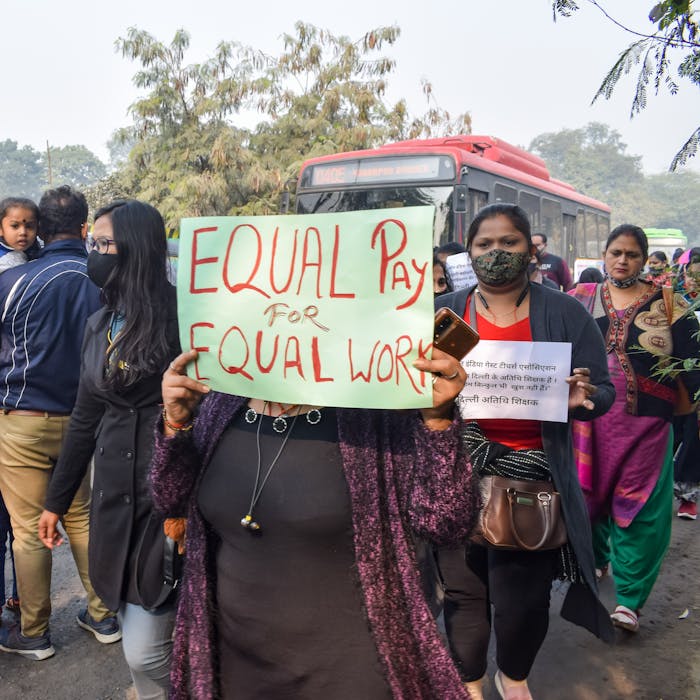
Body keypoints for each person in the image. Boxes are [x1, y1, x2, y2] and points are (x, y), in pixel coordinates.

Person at [150, 339, 477, 698]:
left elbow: (447, 524)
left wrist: (438, 423)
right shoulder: (220, 398)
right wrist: (175, 426)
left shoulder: (377, 407)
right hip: (235, 665)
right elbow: (170, 500)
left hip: (349, 672)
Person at [436, 203, 615, 700]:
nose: (496, 253)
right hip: (453, 472)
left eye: (508, 243)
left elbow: (603, 392)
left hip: (533, 478)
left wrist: (585, 398)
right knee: (464, 591)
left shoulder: (564, 312)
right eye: (484, 244)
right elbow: (410, 386)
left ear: (530, 248)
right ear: (469, 253)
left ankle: (512, 675)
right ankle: (468, 680)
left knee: (523, 601)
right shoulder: (445, 312)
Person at [38, 200, 180, 697]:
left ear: (137, 250)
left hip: (166, 498)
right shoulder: (101, 323)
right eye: (91, 243)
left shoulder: (186, 317)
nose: (92, 253)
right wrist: (56, 500)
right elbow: (84, 417)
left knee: (146, 651)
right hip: (112, 499)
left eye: (103, 244)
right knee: (127, 621)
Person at [0, 186, 119, 660]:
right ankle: (103, 615)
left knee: (28, 529)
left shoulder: (14, 283)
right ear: (86, 229)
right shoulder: (105, 283)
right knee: (82, 517)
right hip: (86, 422)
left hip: (23, 420)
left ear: (40, 231)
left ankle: (34, 634)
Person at [570, 225, 700, 633]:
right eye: (615, 252)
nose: (622, 260)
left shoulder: (672, 305)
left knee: (639, 506)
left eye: (631, 254)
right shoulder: (580, 299)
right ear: (604, 256)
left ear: (644, 260)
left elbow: (693, 363)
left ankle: (629, 601)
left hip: (648, 425)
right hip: (588, 422)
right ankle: (595, 559)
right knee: (587, 496)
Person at [0, 196, 41, 618]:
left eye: (29, 225)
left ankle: (20, 596)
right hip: (11, 399)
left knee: (20, 524)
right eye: (15, 225)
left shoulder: (38, 261)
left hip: (16, 402)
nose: (23, 232)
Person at [672, 247, 700, 519]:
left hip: (697, 382)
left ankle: (687, 497)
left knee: (694, 438)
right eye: (692, 274)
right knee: (671, 434)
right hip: (672, 379)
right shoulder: (672, 302)